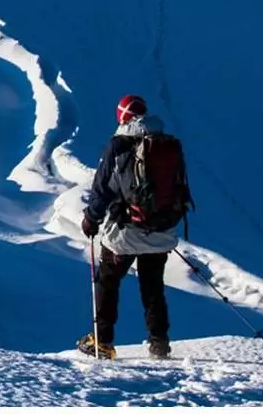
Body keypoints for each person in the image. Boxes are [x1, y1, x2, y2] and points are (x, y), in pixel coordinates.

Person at [78, 94, 192, 360]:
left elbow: (101, 190)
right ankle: (159, 343)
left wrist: (91, 219)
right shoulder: (167, 144)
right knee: (152, 287)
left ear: (122, 117)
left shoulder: (118, 146)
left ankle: (102, 342)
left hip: (124, 233)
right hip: (161, 230)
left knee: (107, 281)